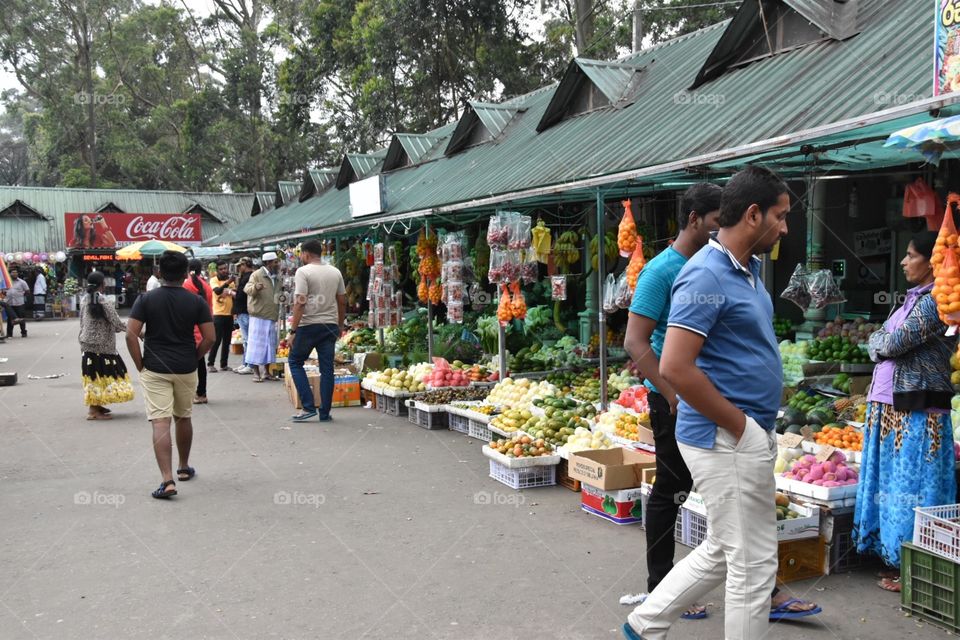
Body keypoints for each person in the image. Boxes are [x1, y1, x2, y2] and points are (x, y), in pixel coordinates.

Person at [624, 166, 791, 640]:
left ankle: (644, 622)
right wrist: (742, 428)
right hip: (724, 438)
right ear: (753, 214)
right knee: (753, 564)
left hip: (741, 434)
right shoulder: (705, 274)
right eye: (780, 216)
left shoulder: (748, 270)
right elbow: (675, 367)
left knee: (721, 548)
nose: (786, 228)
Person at [623, 183, 721, 620]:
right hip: (675, 399)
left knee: (724, 492)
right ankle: (661, 586)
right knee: (671, 490)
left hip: (714, 395)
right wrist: (671, 393)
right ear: (695, 218)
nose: (723, 229)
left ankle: (760, 588)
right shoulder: (661, 270)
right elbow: (635, 341)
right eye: (718, 220)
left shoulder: (714, 265)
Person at [855, 230, 957, 592]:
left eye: (910, 254)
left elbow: (893, 341)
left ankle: (913, 566)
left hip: (916, 406)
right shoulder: (910, 300)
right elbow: (877, 339)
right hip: (889, 404)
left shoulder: (934, 302)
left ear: (930, 261)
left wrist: (879, 343)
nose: (902, 261)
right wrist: (879, 343)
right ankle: (893, 556)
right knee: (892, 483)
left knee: (911, 486)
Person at [126, 251, 214, 500]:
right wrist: (194, 358)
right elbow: (210, 338)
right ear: (186, 273)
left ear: (160, 273)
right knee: (183, 417)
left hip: (155, 368)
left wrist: (140, 365)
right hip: (186, 368)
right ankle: (184, 467)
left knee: (160, 422)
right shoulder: (196, 301)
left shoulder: (146, 299)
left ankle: (167, 481)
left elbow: (131, 334)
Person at [288, 239, 347, 422]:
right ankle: (325, 412)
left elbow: (300, 302)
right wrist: (340, 325)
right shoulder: (335, 271)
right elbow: (342, 301)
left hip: (308, 325)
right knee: (327, 369)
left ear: (305, 254)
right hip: (329, 326)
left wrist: (292, 331)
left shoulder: (303, 272)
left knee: (295, 361)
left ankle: (308, 407)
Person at [79, 271, 134, 420]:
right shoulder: (103, 301)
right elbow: (116, 322)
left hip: (87, 343)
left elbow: (83, 322)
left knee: (95, 375)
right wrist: (137, 333)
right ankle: (93, 411)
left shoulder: (84, 299)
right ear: (102, 285)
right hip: (103, 345)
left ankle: (96, 405)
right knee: (104, 374)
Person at [243, 252, 281, 382]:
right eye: (275, 262)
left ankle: (266, 372)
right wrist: (255, 287)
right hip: (258, 315)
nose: (278, 264)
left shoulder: (277, 277)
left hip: (271, 315)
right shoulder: (256, 275)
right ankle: (256, 373)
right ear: (268, 263)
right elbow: (247, 289)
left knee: (269, 345)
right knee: (256, 345)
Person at [183, 260, 214, 405]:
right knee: (200, 362)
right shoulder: (206, 286)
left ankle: (188, 393)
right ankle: (201, 392)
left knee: (187, 363)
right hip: (203, 330)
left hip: (189, 330)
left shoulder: (186, 285)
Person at [207, 261, 236, 373]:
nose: (224, 270)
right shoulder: (214, 280)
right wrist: (228, 283)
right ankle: (210, 363)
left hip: (229, 315)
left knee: (227, 341)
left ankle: (224, 364)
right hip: (218, 315)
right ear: (217, 270)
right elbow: (218, 291)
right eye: (221, 269)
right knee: (217, 340)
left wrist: (231, 289)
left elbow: (233, 294)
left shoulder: (230, 281)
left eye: (225, 268)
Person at [232, 257, 255, 374]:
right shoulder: (249, 276)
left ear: (245, 265)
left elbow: (241, 295)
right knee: (246, 339)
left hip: (244, 311)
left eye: (240, 266)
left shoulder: (247, 277)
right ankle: (246, 363)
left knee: (247, 340)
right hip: (244, 311)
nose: (239, 268)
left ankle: (249, 364)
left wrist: (231, 292)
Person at [5, 267, 29, 338]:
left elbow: (27, 291)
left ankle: (23, 332)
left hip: (19, 303)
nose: (15, 274)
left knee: (21, 318)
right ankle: (9, 334)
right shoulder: (6, 282)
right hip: (9, 303)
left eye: (16, 273)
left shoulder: (22, 282)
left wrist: (21, 295)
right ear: (10, 274)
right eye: (13, 273)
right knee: (10, 319)